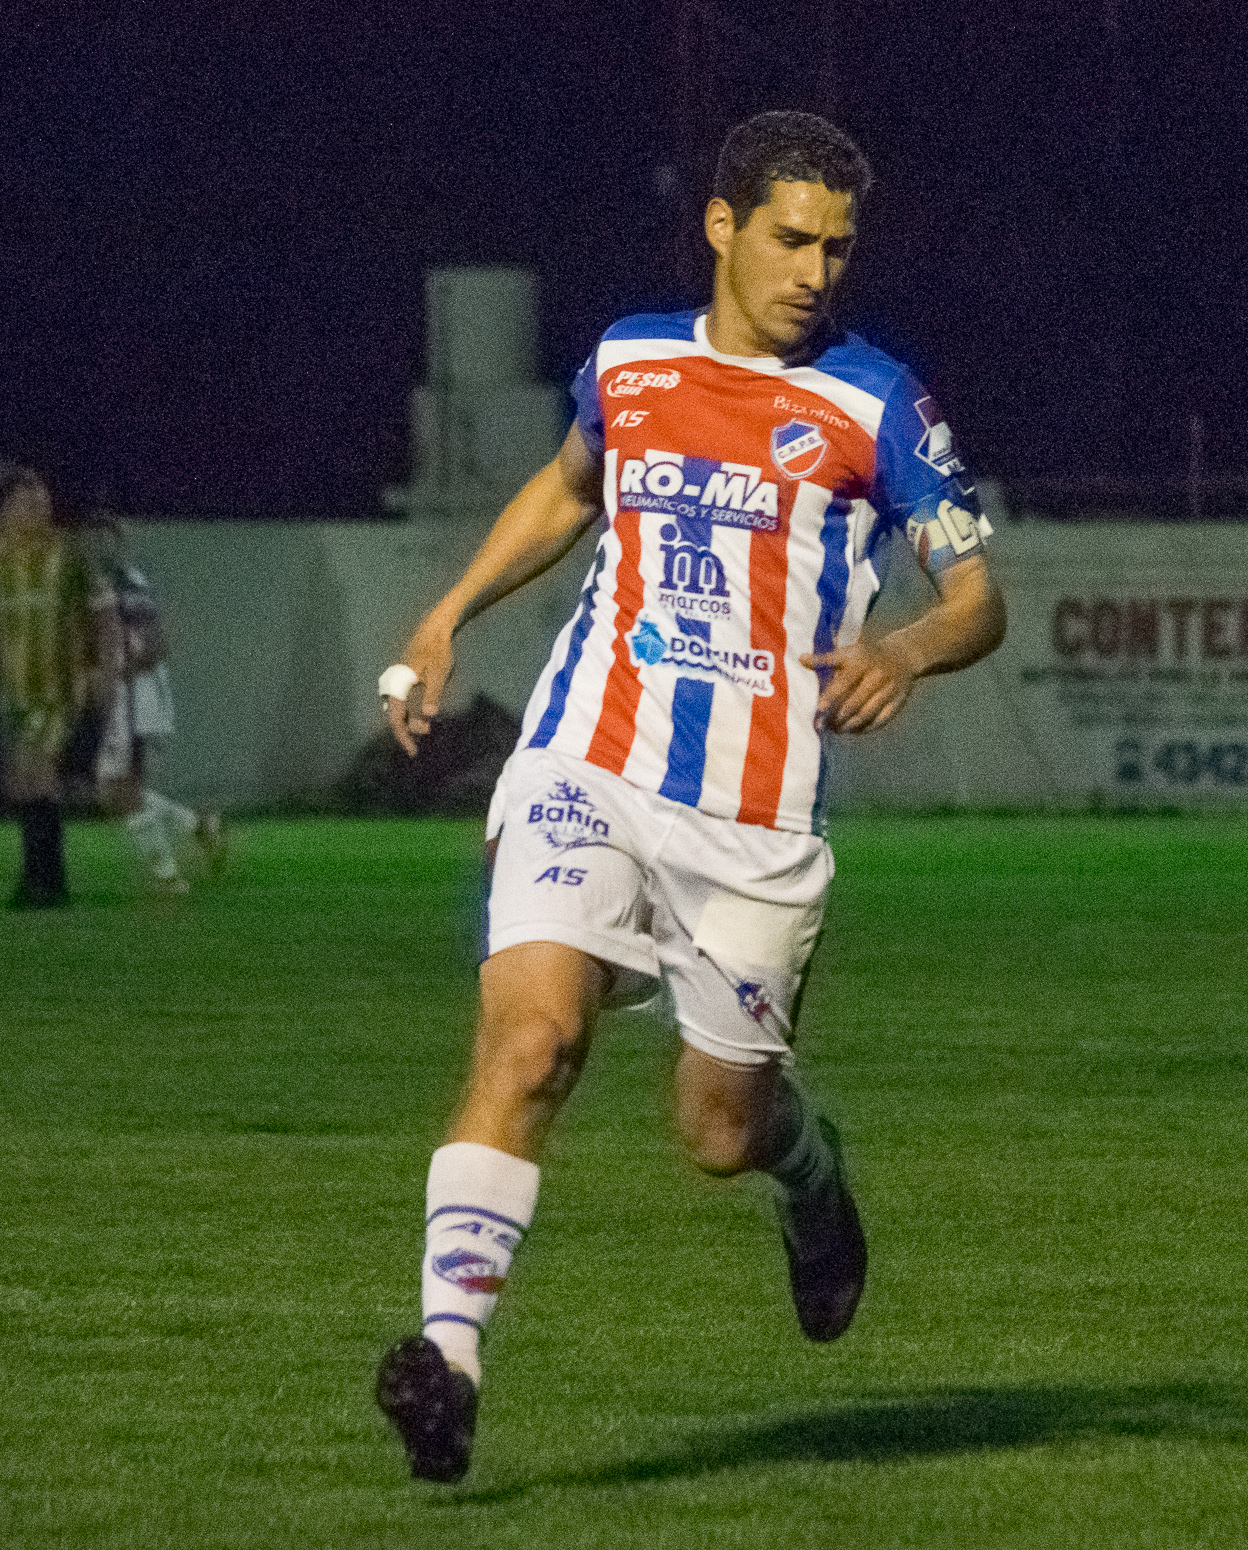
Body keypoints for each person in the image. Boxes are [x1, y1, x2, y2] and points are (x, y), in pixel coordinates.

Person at [373, 110, 1006, 1483]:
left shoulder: (876, 403)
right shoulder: (630, 358)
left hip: (755, 823)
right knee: (532, 1042)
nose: (816, 269)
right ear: (721, 226)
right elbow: (567, 484)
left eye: (837, 244)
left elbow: (976, 597)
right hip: (584, 759)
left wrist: (902, 645)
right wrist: (446, 616)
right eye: (791, 237)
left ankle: (813, 1176)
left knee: (720, 1129)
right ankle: (447, 1358)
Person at [0, 469, 95, 908]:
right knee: (21, 782)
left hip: (58, 689)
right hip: (13, 694)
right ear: (4, 511)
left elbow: (100, 610)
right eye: (29, 503)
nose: (39, 510)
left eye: (43, 503)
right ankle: (40, 880)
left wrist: (99, 666)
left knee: (38, 775)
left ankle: (47, 885)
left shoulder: (67, 558)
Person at [85, 519, 224, 893]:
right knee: (114, 788)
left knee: (120, 790)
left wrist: (114, 671)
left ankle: (168, 876)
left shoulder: (113, 586)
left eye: (106, 538)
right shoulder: (136, 582)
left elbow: (153, 644)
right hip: (140, 693)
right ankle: (197, 826)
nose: (99, 545)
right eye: (95, 537)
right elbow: (159, 640)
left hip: (131, 696)